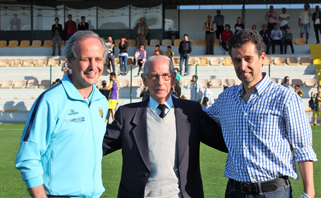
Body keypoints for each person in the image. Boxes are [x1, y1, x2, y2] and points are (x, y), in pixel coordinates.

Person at [204, 29, 317, 198]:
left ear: (262, 58)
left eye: (248, 59)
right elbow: (202, 117)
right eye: (237, 60)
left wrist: (309, 192)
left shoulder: (285, 98)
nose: (243, 66)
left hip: (274, 192)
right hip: (235, 191)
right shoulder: (226, 98)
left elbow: (303, 149)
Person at [103, 55, 227, 198]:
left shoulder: (192, 112)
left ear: (174, 78)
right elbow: (96, 147)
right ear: (144, 80)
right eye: (153, 76)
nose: (160, 82)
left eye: (166, 76)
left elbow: (226, 142)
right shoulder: (127, 114)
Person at [15, 31, 109, 198]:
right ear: (70, 62)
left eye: (98, 59)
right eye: (86, 59)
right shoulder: (50, 100)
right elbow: (28, 158)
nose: (93, 66)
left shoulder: (101, 101)